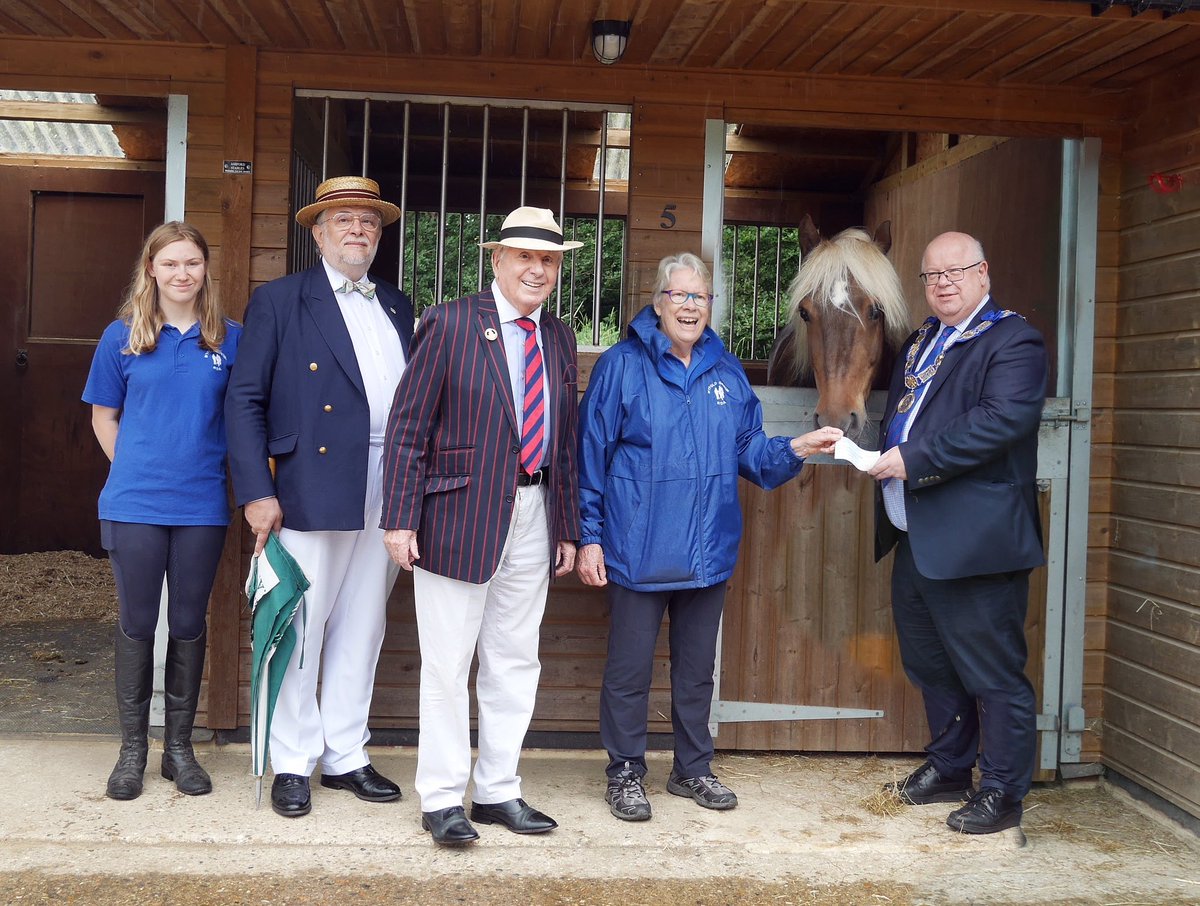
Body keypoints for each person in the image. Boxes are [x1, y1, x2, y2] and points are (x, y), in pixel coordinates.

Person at [576, 252, 843, 822]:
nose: (691, 306)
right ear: (658, 301)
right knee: (629, 670)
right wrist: (590, 536)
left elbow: (750, 450)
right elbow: (589, 458)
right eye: (680, 295)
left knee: (697, 671)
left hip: (707, 550)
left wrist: (795, 447)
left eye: (701, 297)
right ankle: (625, 771)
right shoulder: (620, 366)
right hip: (636, 548)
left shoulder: (726, 372)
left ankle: (691, 769)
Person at [381, 206, 582, 847]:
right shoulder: (449, 322)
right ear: (496, 259)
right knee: (447, 663)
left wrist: (568, 528)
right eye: (525, 256)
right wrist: (398, 519)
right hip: (457, 516)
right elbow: (409, 427)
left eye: (548, 259)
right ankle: (441, 800)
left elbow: (566, 441)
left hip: (534, 512)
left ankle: (498, 790)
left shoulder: (558, 336)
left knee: (515, 659)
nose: (537, 269)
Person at [225, 176, 414, 819]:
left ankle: (345, 754)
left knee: (364, 622)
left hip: (388, 480)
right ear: (318, 234)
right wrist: (256, 489)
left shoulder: (396, 304)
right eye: (343, 220)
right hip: (311, 480)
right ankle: (293, 759)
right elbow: (245, 399)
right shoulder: (280, 300)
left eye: (368, 221)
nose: (358, 229)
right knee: (298, 627)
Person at [868, 231, 1047, 835]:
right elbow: (904, 416)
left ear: (983, 272)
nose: (943, 282)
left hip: (977, 541)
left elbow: (1000, 422)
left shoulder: (1013, 340)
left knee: (993, 672)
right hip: (917, 535)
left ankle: (1001, 792)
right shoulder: (922, 340)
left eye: (956, 271)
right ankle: (950, 766)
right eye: (932, 275)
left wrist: (912, 458)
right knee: (931, 664)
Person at [83, 221, 241, 801]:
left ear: (205, 270)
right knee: (137, 622)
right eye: (170, 263)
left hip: (201, 505)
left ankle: (179, 749)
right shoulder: (121, 336)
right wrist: (133, 469)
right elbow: (104, 416)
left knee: (190, 623)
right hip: (134, 505)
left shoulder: (229, 338)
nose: (182, 274)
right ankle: (132, 752)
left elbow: (243, 417)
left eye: (192, 263)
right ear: (151, 269)